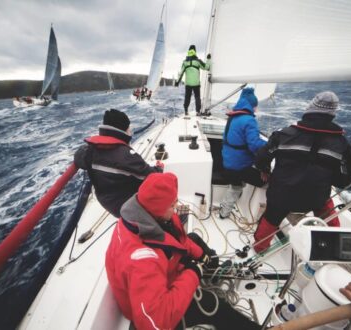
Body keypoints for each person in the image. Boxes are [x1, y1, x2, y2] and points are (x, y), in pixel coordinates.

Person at [105, 172, 259, 330]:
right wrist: (193, 272)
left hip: (164, 273)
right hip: (158, 308)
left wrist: (202, 257)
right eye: (172, 205)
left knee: (194, 238)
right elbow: (155, 323)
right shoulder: (142, 260)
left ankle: (213, 270)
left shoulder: (143, 215)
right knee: (213, 303)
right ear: (157, 210)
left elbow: (181, 241)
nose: (176, 207)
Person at [253, 91, 351, 252]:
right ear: (332, 114)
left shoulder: (284, 134)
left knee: (271, 217)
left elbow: (261, 158)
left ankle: (260, 248)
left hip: (281, 195)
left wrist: (265, 170)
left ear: (310, 109)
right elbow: (344, 180)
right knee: (328, 210)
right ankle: (338, 247)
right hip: (315, 198)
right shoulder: (342, 144)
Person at [74, 109, 163, 217]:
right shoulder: (126, 155)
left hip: (107, 202)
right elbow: (152, 176)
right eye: (128, 127)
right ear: (123, 129)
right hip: (127, 207)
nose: (130, 130)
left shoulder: (89, 150)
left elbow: (79, 158)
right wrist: (159, 168)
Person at [219, 87, 267, 219]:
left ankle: (224, 212)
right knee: (269, 182)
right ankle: (259, 217)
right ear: (252, 105)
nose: (256, 109)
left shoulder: (232, 118)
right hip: (240, 167)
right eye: (255, 106)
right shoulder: (249, 120)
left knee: (235, 186)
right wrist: (269, 146)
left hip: (228, 163)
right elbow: (255, 146)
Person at [176, 45, 211, 116]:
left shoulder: (185, 62)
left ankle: (186, 111)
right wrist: (208, 59)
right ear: (195, 51)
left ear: (189, 51)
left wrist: (177, 82)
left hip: (188, 83)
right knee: (197, 97)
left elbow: (181, 73)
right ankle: (198, 111)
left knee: (187, 97)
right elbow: (207, 67)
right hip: (196, 83)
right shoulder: (198, 61)